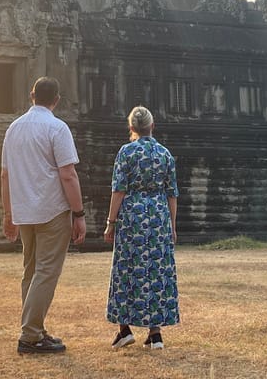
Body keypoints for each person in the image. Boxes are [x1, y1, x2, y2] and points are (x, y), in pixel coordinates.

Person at [1, 76, 87, 354]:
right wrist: (79, 213)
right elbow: (68, 174)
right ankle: (30, 335)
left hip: (24, 211)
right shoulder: (57, 128)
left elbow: (5, 175)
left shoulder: (13, 129)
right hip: (51, 210)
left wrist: (8, 214)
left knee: (31, 272)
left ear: (31, 96)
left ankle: (35, 329)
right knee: (46, 272)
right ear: (57, 100)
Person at [103, 105, 179, 350]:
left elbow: (119, 190)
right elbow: (172, 194)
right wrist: (173, 226)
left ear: (132, 128)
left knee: (126, 268)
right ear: (152, 126)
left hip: (132, 215)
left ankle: (124, 330)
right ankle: (155, 334)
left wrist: (110, 222)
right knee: (156, 269)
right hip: (158, 215)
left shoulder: (126, 152)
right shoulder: (164, 154)